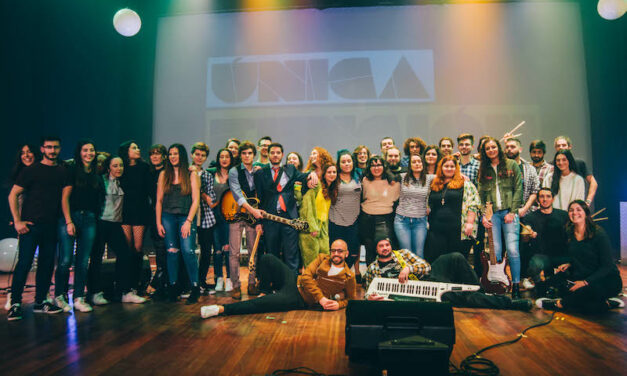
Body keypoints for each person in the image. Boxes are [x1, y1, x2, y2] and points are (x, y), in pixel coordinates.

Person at [200, 239, 356, 318]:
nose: (336, 254)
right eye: (334, 250)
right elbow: (307, 276)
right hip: (294, 280)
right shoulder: (323, 258)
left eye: (340, 251)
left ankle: (221, 309)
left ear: (346, 254)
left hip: (298, 299)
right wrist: (321, 298)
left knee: (260, 305)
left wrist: (338, 304)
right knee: (268, 258)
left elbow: (351, 299)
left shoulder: (348, 277)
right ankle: (266, 290)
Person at [364, 238, 531, 311]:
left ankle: (480, 291)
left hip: (428, 279)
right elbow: (368, 292)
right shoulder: (372, 268)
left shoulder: (403, 254)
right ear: (376, 250)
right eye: (381, 246)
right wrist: (370, 297)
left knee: (455, 257)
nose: (385, 248)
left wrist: (409, 268)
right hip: (417, 295)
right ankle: (510, 303)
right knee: (464, 298)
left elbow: (426, 267)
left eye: (387, 245)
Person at [7, 136, 69, 320]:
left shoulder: (62, 171)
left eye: (55, 147)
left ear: (59, 149)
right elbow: (13, 195)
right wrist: (17, 221)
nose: (52, 150)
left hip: (51, 226)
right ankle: (16, 303)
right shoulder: (31, 171)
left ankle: (40, 302)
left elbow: (65, 198)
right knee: (24, 264)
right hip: (31, 226)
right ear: (42, 149)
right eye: (48, 147)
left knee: (46, 265)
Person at [536, 201, 623, 313]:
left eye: (578, 209)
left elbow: (607, 266)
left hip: (607, 279)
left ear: (586, 213)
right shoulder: (570, 233)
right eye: (571, 210)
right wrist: (570, 263)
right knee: (558, 288)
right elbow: (583, 255)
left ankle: (558, 304)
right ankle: (608, 303)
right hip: (587, 275)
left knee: (583, 294)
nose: (574, 213)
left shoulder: (598, 234)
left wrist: (584, 282)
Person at [88, 155, 146, 306]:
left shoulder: (123, 182)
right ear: (108, 168)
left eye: (121, 165)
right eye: (115, 166)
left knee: (125, 254)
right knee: (96, 258)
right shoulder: (101, 180)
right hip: (101, 223)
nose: (119, 168)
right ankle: (94, 292)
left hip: (115, 224)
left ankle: (124, 292)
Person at [55, 139, 104, 313]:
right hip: (71, 217)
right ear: (79, 152)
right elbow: (64, 198)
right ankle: (59, 296)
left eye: (92, 150)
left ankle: (78, 297)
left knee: (83, 261)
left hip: (89, 219)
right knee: (65, 260)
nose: (89, 153)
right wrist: (69, 221)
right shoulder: (71, 170)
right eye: (85, 150)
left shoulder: (96, 174)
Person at [255, 143, 316, 272]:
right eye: (272, 153)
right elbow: (258, 199)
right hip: (270, 219)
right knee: (273, 255)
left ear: (282, 155)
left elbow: (303, 177)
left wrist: (312, 174)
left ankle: (291, 288)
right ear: (268, 154)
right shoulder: (261, 173)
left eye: (278, 153)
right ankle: (277, 286)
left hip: (289, 218)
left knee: (291, 256)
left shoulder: (290, 169)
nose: (275, 155)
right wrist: (259, 222)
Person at [478, 137, 523, 298]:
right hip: (493, 214)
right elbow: (481, 194)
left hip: (509, 212)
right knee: (495, 252)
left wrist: (513, 211)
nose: (491, 150)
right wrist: (484, 215)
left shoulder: (512, 165)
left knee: (512, 250)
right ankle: (498, 284)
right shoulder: (484, 169)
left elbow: (519, 188)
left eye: (493, 147)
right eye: (487, 148)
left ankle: (516, 285)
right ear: (484, 152)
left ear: (499, 148)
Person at [156, 144, 202, 304]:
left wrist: (189, 221)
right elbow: (159, 201)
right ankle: (173, 287)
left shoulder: (191, 174)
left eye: (175, 153)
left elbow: (196, 200)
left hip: (185, 217)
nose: (172, 156)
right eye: (170, 154)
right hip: (168, 217)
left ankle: (195, 288)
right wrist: (158, 222)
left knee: (188, 251)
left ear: (181, 155)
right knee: (172, 252)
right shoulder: (164, 174)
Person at [425, 156, 480, 262]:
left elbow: (473, 204)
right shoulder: (434, 184)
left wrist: (469, 223)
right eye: (446, 166)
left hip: (457, 230)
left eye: (452, 166)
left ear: (456, 168)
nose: (449, 168)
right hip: (436, 229)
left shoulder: (465, 184)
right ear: (441, 168)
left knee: (456, 259)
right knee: (437, 259)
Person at [228, 141, 264, 299]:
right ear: (240, 155)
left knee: (252, 251)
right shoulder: (234, 171)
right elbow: (238, 195)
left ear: (253, 155)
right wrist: (253, 211)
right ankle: (235, 285)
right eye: (244, 153)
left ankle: (251, 283)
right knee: (234, 252)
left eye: (249, 153)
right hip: (236, 215)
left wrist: (257, 216)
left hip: (252, 218)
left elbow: (260, 194)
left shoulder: (258, 171)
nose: (247, 156)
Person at [118, 140, 152, 294]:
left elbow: (149, 189)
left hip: (140, 211)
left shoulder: (144, 168)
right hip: (124, 211)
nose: (138, 149)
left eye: (138, 147)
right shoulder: (121, 168)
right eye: (134, 147)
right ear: (126, 151)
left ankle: (137, 283)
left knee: (138, 248)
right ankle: (124, 284)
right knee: (126, 248)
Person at [520, 188, 569, 291]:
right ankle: (540, 286)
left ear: (553, 199)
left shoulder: (564, 215)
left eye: (548, 196)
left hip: (561, 255)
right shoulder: (530, 217)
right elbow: (525, 236)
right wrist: (528, 234)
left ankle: (555, 284)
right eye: (542, 197)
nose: (545, 199)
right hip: (542, 256)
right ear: (538, 200)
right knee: (535, 265)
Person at [359, 156, 400, 266]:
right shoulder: (365, 180)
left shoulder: (393, 182)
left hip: (385, 219)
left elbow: (396, 198)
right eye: (373, 165)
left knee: (385, 250)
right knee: (369, 250)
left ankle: (385, 277)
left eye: (379, 165)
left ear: (384, 166)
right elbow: (362, 197)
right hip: (367, 219)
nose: (376, 168)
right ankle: (370, 278)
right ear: (369, 167)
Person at [329, 150, 362, 281]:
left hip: (354, 220)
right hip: (336, 220)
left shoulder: (358, 176)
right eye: (343, 162)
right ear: (338, 164)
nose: (346, 164)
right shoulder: (334, 177)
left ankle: (345, 275)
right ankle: (335, 279)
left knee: (353, 252)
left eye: (349, 161)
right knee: (336, 252)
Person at [394, 154, 433, 258]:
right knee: (406, 254)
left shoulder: (429, 179)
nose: (417, 164)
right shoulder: (402, 177)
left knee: (419, 254)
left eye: (419, 161)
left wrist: (463, 176)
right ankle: (406, 275)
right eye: (414, 162)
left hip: (420, 221)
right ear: (409, 165)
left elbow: (446, 174)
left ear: (423, 164)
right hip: (402, 220)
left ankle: (420, 274)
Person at [191, 142, 217, 294]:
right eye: (197, 154)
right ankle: (189, 281)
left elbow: (211, 200)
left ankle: (201, 281)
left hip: (205, 217)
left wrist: (200, 191)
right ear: (192, 155)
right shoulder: (185, 172)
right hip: (188, 216)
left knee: (206, 251)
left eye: (202, 155)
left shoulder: (207, 175)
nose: (199, 158)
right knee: (188, 251)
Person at [299, 163, 338, 267]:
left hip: (323, 228)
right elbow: (307, 206)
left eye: (334, 172)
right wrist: (312, 227)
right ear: (324, 174)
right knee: (311, 261)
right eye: (329, 172)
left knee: (325, 258)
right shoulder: (316, 185)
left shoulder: (331, 189)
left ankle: (321, 283)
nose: (332, 174)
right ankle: (308, 283)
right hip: (310, 228)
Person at [208, 148, 234, 292]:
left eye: (227, 157)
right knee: (217, 249)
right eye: (221, 156)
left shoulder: (234, 174)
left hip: (229, 217)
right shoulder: (211, 173)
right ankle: (218, 278)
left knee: (228, 249)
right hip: (214, 216)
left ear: (231, 159)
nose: (224, 159)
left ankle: (229, 278)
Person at [147, 144, 168, 299]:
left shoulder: (167, 172)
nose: (154, 156)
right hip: (153, 215)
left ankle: (161, 285)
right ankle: (158, 283)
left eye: (158, 154)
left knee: (165, 251)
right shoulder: (148, 172)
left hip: (166, 215)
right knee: (159, 251)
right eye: (152, 154)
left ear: (164, 156)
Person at [553, 136, 597, 205]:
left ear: (570, 147)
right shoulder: (552, 165)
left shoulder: (579, 163)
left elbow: (593, 183)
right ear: (555, 148)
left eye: (564, 145)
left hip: (576, 206)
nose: (561, 147)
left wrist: (588, 201)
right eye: (558, 146)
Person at [504, 138, 540, 217]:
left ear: (520, 149)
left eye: (512, 147)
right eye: (507, 147)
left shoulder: (530, 169)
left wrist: (525, 209)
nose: (509, 149)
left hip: (524, 211)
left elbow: (534, 191)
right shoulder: (500, 168)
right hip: (504, 213)